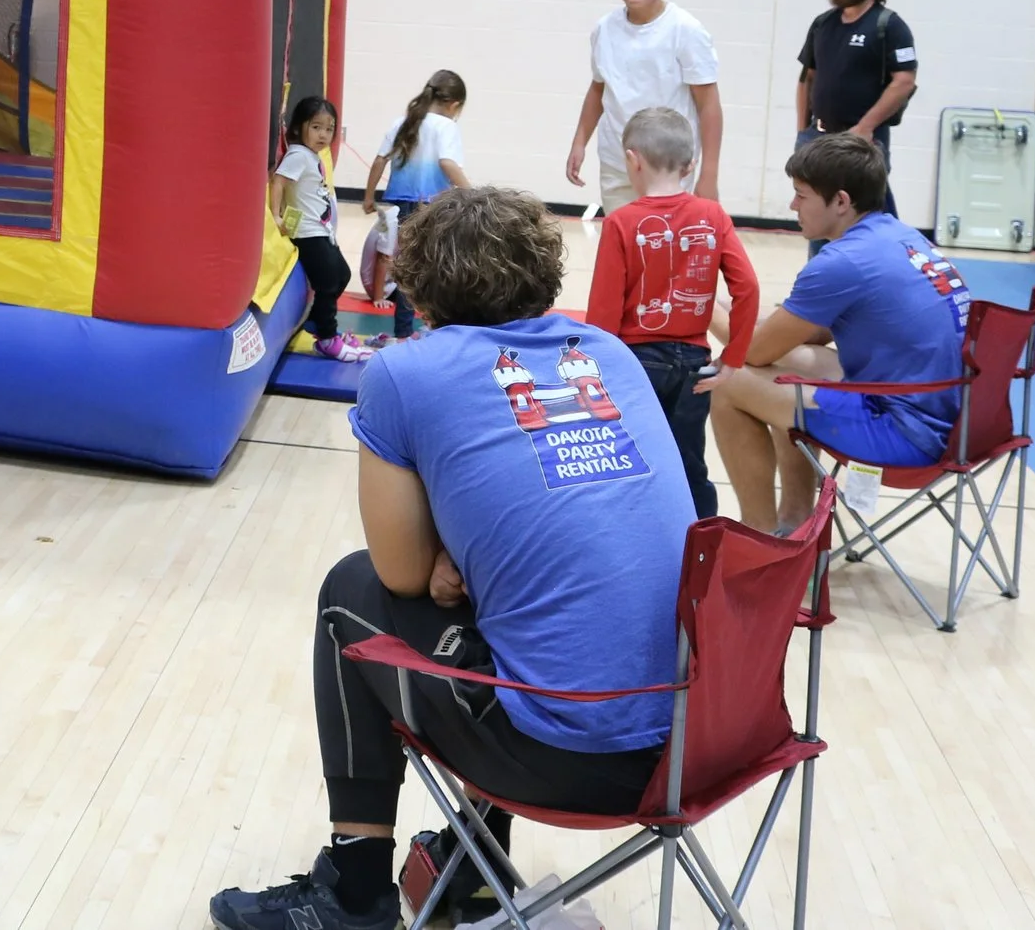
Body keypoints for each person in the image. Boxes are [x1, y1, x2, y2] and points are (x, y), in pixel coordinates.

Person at [211, 188, 694, 930]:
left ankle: (355, 891)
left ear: (423, 288)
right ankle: (471, 864)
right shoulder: (610, 353)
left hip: (567, 761)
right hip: (696, 744)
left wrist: (448, 552)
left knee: (349, 590)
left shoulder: (405, 372)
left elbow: (401, 573)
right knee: (531, 612)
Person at [699, 133, 972, 533]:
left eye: (801, 195)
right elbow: (804, 334)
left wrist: (700, 299)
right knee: (789, 363)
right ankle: (795, 522)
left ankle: (758, 538)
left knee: (727, 382)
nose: (792, 206)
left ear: (841, 201)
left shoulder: (843, 262)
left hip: (905, 434)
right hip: (955, 419)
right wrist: (734, 314)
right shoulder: (903, 237)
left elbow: (751, 352)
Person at [583, 107, 759, 518]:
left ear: (632, 160)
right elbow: (748, 288)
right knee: (690, 464)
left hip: (637, 365)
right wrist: (733, 358)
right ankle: (703, 544)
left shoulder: (621, 222)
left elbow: (604, 311)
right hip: (695, 366)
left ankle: (639, 537)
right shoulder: (713, 215)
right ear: (691, 165)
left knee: (632, 462)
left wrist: (596, 372)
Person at [565, 0, 723, 214]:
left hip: (669, 164)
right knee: (622, 235)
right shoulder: (604, 29)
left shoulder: (686, 29)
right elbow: (598, 90)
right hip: (618, 161)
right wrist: (579, 143)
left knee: (663, 237)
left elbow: (708, 105)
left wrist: (709, 174)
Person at [796, 0, 915, 224]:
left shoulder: (889, 26)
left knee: (867, 219)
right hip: (818, 137)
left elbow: (904, 81)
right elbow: (807, 78)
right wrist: (802, 131)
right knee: (820, 219)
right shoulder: (823, 23)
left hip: (863, 142)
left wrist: (864, 128)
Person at [361, 70, 470, 341]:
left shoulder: (404, 121)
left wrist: (369, 196)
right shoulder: (446, 126)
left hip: (403, 203)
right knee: (432, 266)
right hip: (431, 206)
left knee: (408, 266)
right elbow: (447, 162)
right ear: (454, 105)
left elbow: (380, 160)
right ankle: (430, 325)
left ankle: (403, 332)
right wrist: (473, 194)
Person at [275, 95, 367, 362]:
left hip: (321, 230)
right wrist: (276, 215)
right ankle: (327, 338)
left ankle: (316, 323)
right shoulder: (298, 155)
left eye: (329, 129)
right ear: (299, 127)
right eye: (316, 127)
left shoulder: (312, 156)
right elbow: (279, 182)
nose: (323, 135)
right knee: (327, 282)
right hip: (307, 232)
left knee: (343, 274)